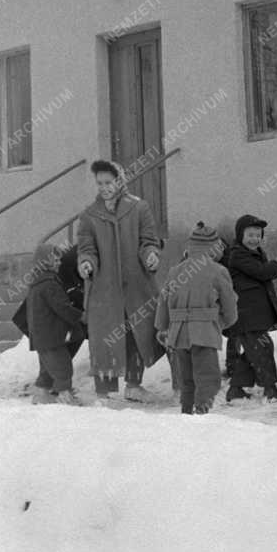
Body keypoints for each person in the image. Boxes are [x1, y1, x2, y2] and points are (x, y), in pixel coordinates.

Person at [76, 160, 164, 403]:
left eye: (108, 182)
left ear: (120, 181)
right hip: (104, 290)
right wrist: (86, 263)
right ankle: (103, 392)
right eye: (99, 183)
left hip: (136, 286)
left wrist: (151, 255)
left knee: (138, 335)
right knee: (104, 338)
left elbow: (149, 240)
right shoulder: (89, 215)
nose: (104, 187)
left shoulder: (139, 208)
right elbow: (86, 247)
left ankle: (134, 385)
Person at [155, 222, 238, 415]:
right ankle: (202, 411)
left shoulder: (175, 271)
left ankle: (186, 410)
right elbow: (230, 308)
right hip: (205, 332)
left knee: (187, 376)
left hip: (179, 333)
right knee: (207, 376)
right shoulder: (218, 271)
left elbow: (163, 300)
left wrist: (162, 326)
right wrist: (220, 323)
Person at [224, 214, 277, 402]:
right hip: (246, 314)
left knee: (253, 351)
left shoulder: (257, 253)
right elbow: (261, 273)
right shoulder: (238, 254)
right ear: (240, 235)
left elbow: (265, 275)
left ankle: (235, 389)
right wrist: (276, 264)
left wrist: (273, 267)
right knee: (262, 350)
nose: (255, 239)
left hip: (255, 314)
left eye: (258, 235)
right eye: (250, 235)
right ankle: (270, 389)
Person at [14, 240, 86, 379]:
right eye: (56, 260)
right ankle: (57, 389)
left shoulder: (40, 280)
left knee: (55, 360)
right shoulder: (49, 282)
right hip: (49, 330)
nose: (59, 262)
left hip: (45, 329)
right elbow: (61, 306)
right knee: (61, 367)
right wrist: (79, 316)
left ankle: (45, 386)